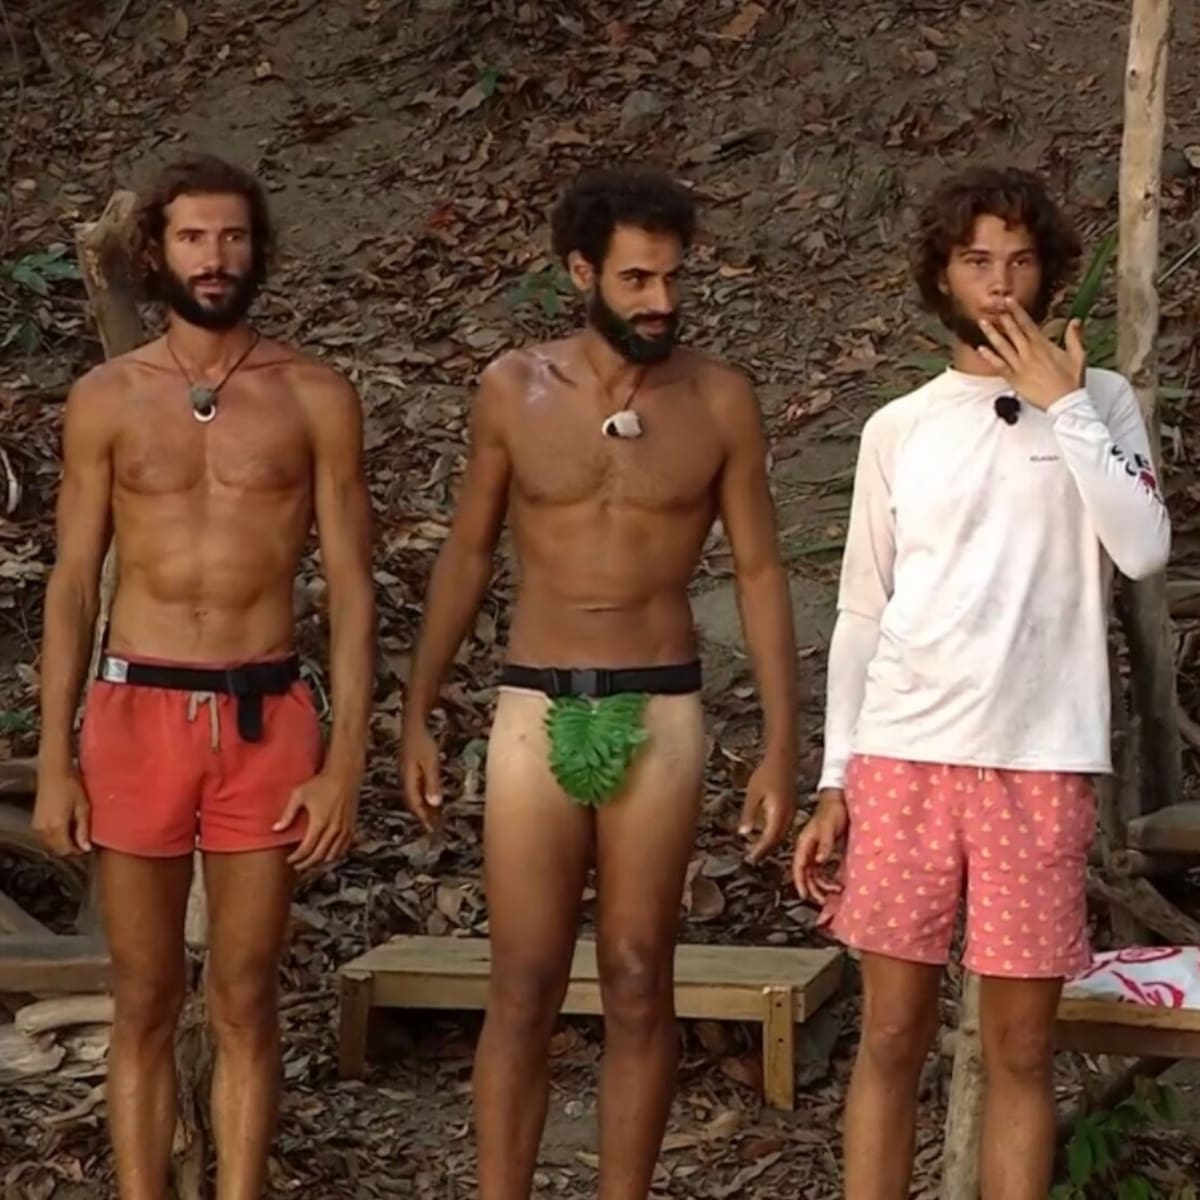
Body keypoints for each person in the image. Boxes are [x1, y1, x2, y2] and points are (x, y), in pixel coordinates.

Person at [400, 165, 799, 1200]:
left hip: (659, 700)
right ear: (581, 272)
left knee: (635, 974)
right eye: (636, 280)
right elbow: (468, 552)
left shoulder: (719, 399)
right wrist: (418, 709)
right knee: (523, 979)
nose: (661, 300)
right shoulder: (513, 389)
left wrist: (782, 745)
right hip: (534, 699)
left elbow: (759, 570)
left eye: (672, 277)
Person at [793, 165, 1171, 1200]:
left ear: (1049, 273)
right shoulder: (900, 427)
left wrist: (1065, 407)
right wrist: (835, 779)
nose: (1000, 284)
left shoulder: (1102, 402)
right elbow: (862, 611)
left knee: (1018, 1048)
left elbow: (1142, 549)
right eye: (976, 261)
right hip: (904, 757)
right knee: (892, 1034)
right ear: (941, 277)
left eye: (1020, 260)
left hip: (1039, 762)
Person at [33, 153, 375, 1200]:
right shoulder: (106, 398)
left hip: (265, 715)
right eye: (193, 237)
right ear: (156, 251)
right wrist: (54, 759)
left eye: (231, 237)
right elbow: (73, 584)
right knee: (143, 997)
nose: (214, 257)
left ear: (257, 249)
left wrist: (346, 761)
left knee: (244, 997)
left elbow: (352, 588)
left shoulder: (314, 395)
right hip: (133, 710)